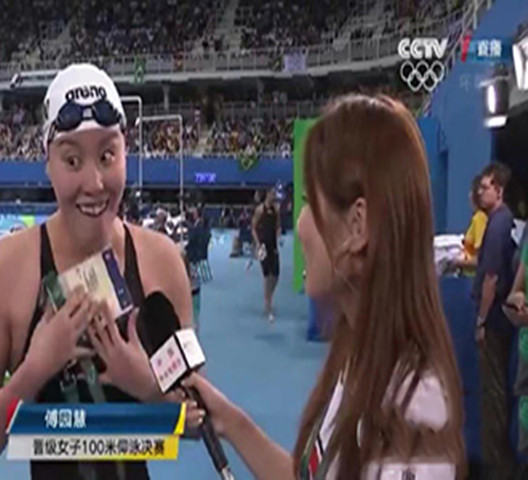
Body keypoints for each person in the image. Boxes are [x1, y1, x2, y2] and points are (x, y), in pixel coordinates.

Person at [181, 94, 466, 479]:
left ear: (357, 226)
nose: (300, 225)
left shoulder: (412, 410)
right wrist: (230, 421)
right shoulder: (361, 357)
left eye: (309, 203)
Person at [0, 64, 199, 480]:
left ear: (126, 153)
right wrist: (32, 373)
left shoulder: (161, 262)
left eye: (107, 156)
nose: (94, 183)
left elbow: (197, 419)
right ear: (47, 162)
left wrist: (149, 388)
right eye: (72, 160)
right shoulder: (5, 271)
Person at [473, 162, 518, 479]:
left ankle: (497, 465)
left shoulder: (498, 225)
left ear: (499, 191)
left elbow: (491, 278)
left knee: (493, 393)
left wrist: (481, 320)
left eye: (485, 187)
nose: (480, 191)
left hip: (493, 323)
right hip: (501, 321)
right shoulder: (503, 222)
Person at [251, 188, 281, 322]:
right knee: (267, 275)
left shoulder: (276, 210)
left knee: (276, 275)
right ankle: (267, 303)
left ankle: (270, 297)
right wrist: (258, 243)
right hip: (263, 246)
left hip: (273, 245)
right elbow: (253, 227)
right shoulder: (259, 210)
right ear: (267, 194)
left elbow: (278, 226)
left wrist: (278, 234)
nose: (274, 196)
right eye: (272, 193)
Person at [451, 174, 487, 276]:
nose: (468, 195)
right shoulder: (479, 218)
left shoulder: (479, 219)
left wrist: (457, 262)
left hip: (472, 278)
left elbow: (479, 259)